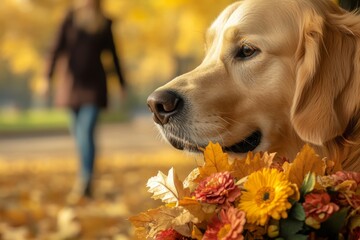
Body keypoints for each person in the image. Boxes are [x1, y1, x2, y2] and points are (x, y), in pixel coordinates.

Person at [46, 0, 126, 201]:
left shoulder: (105, 23)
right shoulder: (69, 18)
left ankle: (85, 180)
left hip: (94, 86)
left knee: (86, 131)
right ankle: (85, 175)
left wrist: (121, 84)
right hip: (71, 85)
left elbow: (113, 56)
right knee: (78, 133)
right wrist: (46, 78)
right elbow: (56, 49)